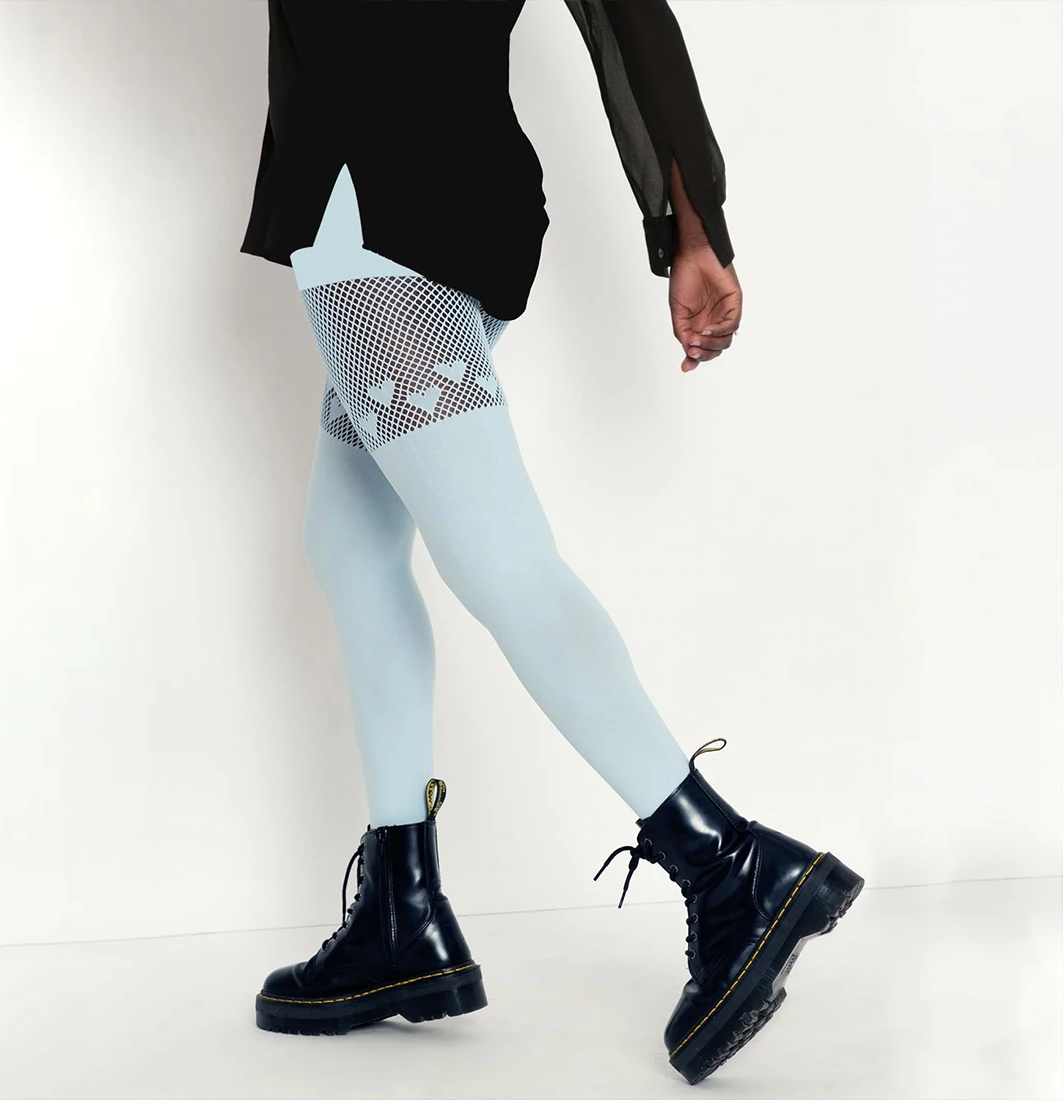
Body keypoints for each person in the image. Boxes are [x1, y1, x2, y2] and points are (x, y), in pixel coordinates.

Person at [238, 0, 863, 1086]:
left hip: (371, 202)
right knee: (349, 543)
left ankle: (726, 862)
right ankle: (400, 908)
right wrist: (692, 228)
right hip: (443, 193)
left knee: (495, 556)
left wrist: (693, 229)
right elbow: (630, 15)